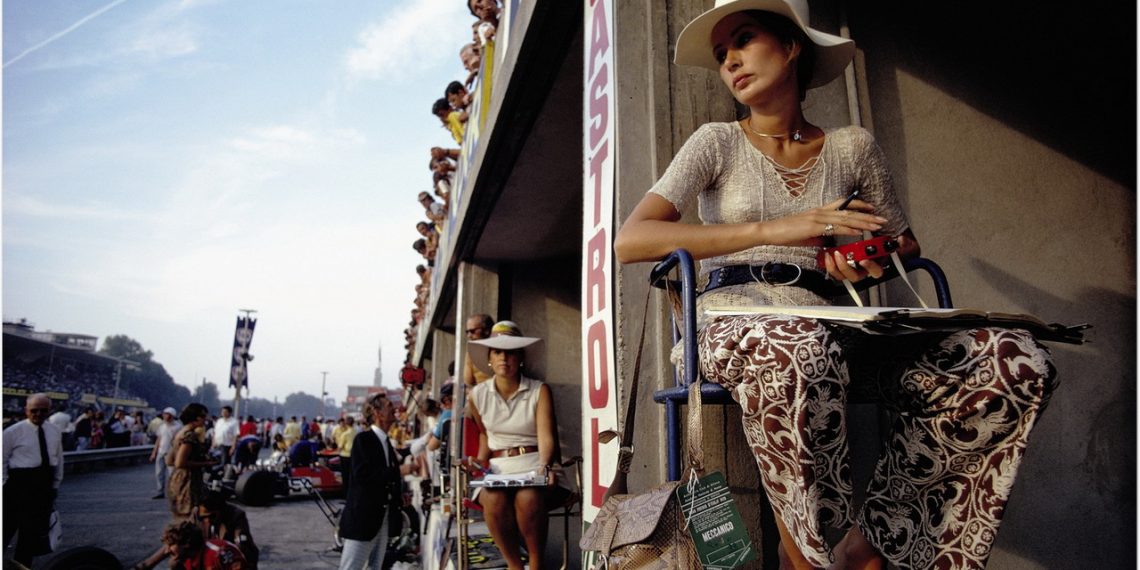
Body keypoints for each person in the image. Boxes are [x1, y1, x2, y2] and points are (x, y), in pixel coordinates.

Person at [612, 2, 1059, 569]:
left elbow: (902, 243)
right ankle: (809, 558)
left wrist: (859, 258)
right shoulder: (716, 142)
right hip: (734, 324)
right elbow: (632, 240)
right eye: (722, 55)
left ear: (792, 46)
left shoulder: (852, 147)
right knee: (797, 351)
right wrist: (775, 229)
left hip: (835, 323)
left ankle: (869, 543)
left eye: (744, 40)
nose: (730, 62)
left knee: (1011, 361)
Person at [465, 322, 568, 570]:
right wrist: (477, 461)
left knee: (528, 496)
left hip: (535, 463)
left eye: (511, 352)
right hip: (498, 469)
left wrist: (545, 466)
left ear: (520, 358)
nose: (504, 358)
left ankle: (536, 564)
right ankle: (514, 566)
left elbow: (546, 436)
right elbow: (486, 436)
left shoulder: (539, 390)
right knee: (492, 498)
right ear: (489, 359)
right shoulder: (477, 395)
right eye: (497, 352)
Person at [337, 393, 405, 570]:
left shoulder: (385, 442)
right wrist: (398, 471)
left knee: (375, 566)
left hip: (381, 519)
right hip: (363, 520)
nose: (394, 409)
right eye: (389, 405)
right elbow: (363, 477)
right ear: (377, 412)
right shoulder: (363, 440)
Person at [2, 394, 64, 567]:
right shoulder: (12, 432)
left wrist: (55, 484)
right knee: (5, 530)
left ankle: (23, 566)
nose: (38, 414)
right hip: (17, 486)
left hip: (43, 487)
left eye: (43, 410)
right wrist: (4, 485)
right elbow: (2, 460)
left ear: (49, 411)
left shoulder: (54, 431)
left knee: (30, 536)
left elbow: (58, 459)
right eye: (34, 410)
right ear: (26, 410)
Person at [169, 403, 218, 520]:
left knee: (181, 515)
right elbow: (179, 462)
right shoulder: (190, 435)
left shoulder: (180, 433)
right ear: (195, 417)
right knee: (188, 516)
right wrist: (206, 463)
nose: (205, 420)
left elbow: (169, 460)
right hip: (188, 480)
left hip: (177, 478)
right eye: (203, 416)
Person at [151, 407, 182, 500]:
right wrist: (154, 452)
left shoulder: (178, 427)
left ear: (172, 416)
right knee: (159, 473)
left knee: (171, 474)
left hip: (171, 453)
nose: (165, 416)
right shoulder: (162, 426)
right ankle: (160, 491)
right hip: (161, 452)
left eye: (167, 415)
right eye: (164, 414)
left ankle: (173, 492)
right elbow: (158, 439)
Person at [462, 313, 495, 386]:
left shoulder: (472, 351)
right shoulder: (503, 348)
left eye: (472, 331)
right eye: (467, 332)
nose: (469, 335)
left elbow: (468, 380)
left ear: (486, 331)